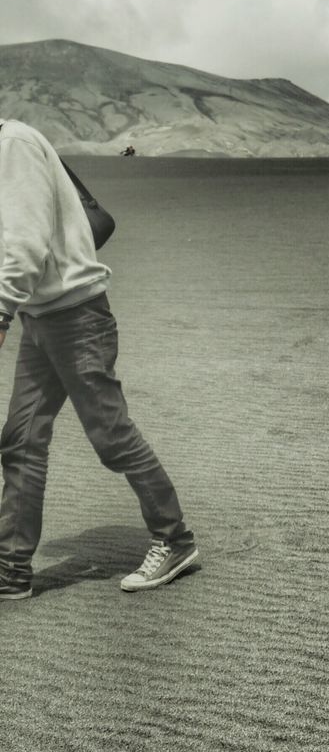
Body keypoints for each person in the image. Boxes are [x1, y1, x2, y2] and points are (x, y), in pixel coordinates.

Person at [0, 120, 198, 600]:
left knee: (112, 436)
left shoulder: (12, 143)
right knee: (21, 441)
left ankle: (175, 540)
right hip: (42, 317)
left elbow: (23, 244)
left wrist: (1, 310)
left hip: (77, 317)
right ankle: (11, 570)